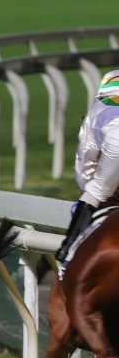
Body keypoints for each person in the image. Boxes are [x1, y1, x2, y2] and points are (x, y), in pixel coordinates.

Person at [56, 69, 119, 262]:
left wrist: (86, 187)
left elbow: (86, 160)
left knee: (97, 189)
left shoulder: (98, 109)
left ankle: (68, 250)